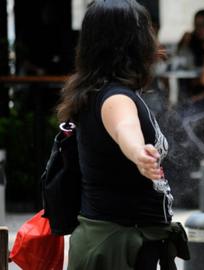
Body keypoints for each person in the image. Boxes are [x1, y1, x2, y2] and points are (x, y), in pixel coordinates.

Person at [56, 1, 188, 269]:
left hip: (115, 241)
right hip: (118, 248)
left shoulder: (95, 91)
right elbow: (124, 127)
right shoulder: (116, 97)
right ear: (134, 42)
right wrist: (139, 152)